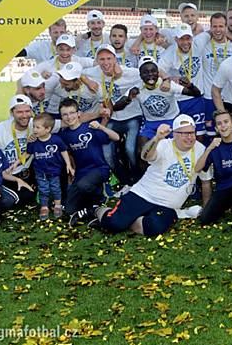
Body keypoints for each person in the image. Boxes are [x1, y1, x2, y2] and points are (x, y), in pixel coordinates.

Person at [94, 115, 207, 236]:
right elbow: (145, 156)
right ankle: (96, 210)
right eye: (185, 133)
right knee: (115, 224)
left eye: (192, 133)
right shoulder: (164, 145)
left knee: (154, 228)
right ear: (175, 134)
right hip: (144, 194)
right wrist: (157, 138)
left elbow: (206, 181)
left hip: (167, 205)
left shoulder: (200, 149)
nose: (190, 137)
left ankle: (131, 220)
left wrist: (207, 208)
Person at [83, 44, 143, 186]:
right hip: (112, 118)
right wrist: (87, 80)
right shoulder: (94, 72)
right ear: (97, 60)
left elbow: (150, 70)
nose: (105, 63)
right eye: (102, 59)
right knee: (107, 154)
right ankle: (124, 181)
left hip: (132, 116)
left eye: (109, 58)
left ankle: (138, 179)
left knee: (130, 149)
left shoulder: (130, 72)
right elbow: (76, 72)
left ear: (115, 59)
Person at [113, 58, 201, 153]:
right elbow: (116, 107)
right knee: (142, 151)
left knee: (178, 148)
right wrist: (128, 98)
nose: (150, 75)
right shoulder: (137, 89)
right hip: (151, 123)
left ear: (158, 73)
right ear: (140, 75)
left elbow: (196, 94)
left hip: (172, 121)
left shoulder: (167, 85)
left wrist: (190, 85)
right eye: (145, 72)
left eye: (153, 71)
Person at [57, 98, 120, 225]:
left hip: (99, 169)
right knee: (69, 209)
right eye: (65, 114)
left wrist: (101, 127)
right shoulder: (64, 135)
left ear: (78, 113)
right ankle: (90, 208)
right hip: (81, 173)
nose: (69, 117)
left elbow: (116, 137)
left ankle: (100, 198)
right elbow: (66, 152)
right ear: (61, 117)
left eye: (72, 113)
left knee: (83, 185)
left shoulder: (90, 127)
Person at [158, 24, 206, 135]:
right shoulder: (170, 52)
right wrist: (168, 78)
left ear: (192, 37)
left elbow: (215, 30)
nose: (185, 42)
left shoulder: (199, 43)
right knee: (179, 133)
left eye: (188, 38)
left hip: (196, 98)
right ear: (176, 39)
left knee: (199, 133)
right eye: (181, 39)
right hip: (179, 99)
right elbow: (158, 68)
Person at [24, 113, 74, 220]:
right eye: (34, 127)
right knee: (43, 189)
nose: (34, 130)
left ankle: (57, 206)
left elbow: (64, 151)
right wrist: (15, 164)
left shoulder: (56, 140)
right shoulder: (33, 142)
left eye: (37, 127)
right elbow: (27, 154)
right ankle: (44, 207)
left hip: (54, 171)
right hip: (40, 172)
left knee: (56, 188)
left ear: (47, 129)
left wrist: (68, 165)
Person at [198, 12, 232, 134]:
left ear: (226, 27)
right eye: (214, 26)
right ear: (210, 28)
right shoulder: (204, 45)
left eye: (221, 26)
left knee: (231, 134)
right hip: (209, 98)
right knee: (211, 135)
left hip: (230, 98)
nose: (218, 29)